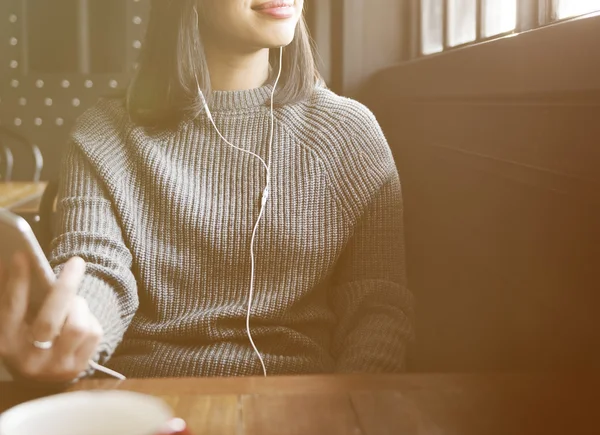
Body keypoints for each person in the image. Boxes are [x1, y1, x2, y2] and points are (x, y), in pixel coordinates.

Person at [0, 0, 414, 383]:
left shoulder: (350, 134)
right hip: (139, 402)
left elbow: (376, 306)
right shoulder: (102, 133)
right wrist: (72, 323)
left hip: (303, 405)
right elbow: (98, 270)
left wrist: (354, 410)